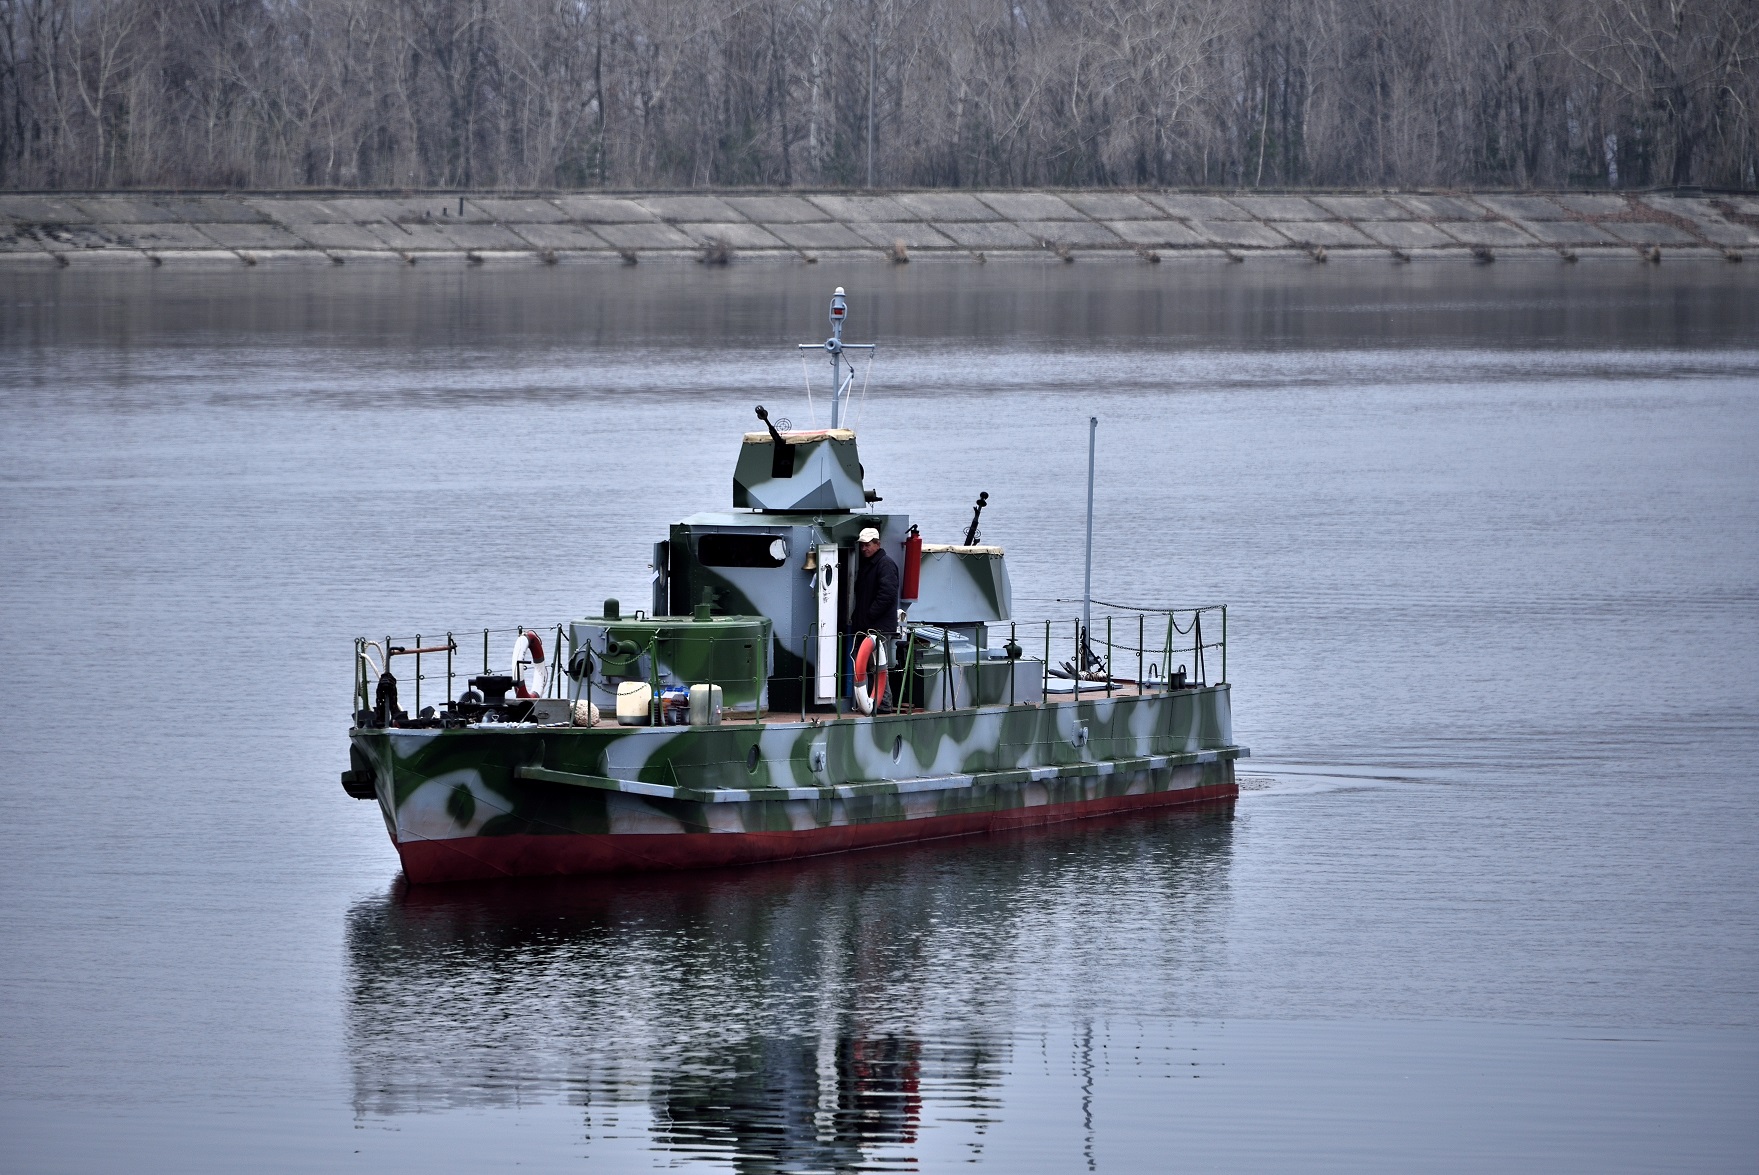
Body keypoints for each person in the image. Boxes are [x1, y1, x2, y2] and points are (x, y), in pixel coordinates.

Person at [850, 526, 900, 707]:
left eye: (867, 545)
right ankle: (872, 703)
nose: (864, 549)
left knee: (878, 666)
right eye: (862, 545)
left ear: (877, 544)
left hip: (878, 626)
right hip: (868, 625)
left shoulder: (885, 564)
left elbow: (887, 594)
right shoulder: (870, 565)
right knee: (870, 665)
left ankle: (884, 704)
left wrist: (869, 615)